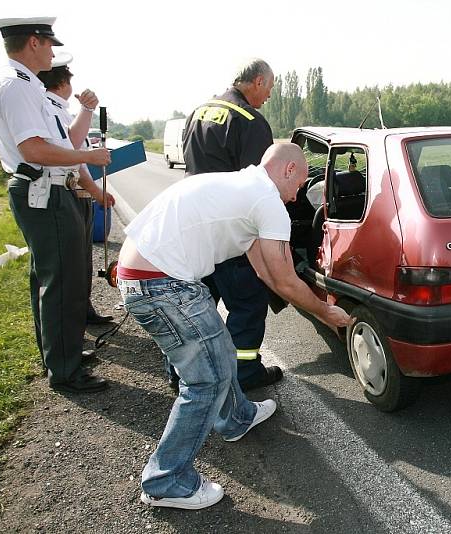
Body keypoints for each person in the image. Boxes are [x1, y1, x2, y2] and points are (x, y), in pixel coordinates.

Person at [117, 143, 352, 510]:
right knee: (205, 381)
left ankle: (237, 417)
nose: (298, 196)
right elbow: (286, 280)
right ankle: (166, 480)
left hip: (149, 275)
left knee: (221, 350)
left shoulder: (243, 189)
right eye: (302, 183)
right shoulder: (267, 199)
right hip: (162, 285)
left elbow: (266, 271)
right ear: (288, 170)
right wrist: (326, 312)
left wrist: (308, 299)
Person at [0, 17, 112, 393]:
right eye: (48, 43)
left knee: (51, 279)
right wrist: (90, 159)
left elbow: (65, 141)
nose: (51, 51)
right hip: (43, 191)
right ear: (32, 42)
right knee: (61, 282)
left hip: (47, 190)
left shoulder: (29, 89)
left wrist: (85, 129)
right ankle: (65, 369)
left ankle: (61, 353)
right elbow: (34, 149)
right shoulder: (16, 87)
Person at [181, 58, 279, 391]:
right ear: (256, 82)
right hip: (231, 234)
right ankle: (246, 375)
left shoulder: (198, 112)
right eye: (269, 87)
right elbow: (257, 187)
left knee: (199, 304)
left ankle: (188, 374)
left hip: (196, 230)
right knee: (248, 304)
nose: (268, 95)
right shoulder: (250, 121)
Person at [36, 52, 116, 328]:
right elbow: (72, 147)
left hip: (70, 189)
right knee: (64, 273)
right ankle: (66, 346)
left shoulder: (57, 107)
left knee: (78, 266)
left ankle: (79, 319)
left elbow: (74, 153)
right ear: (62, 82)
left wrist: (96, 192)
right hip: (57, 191)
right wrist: (87, 111)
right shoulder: (48, 106)